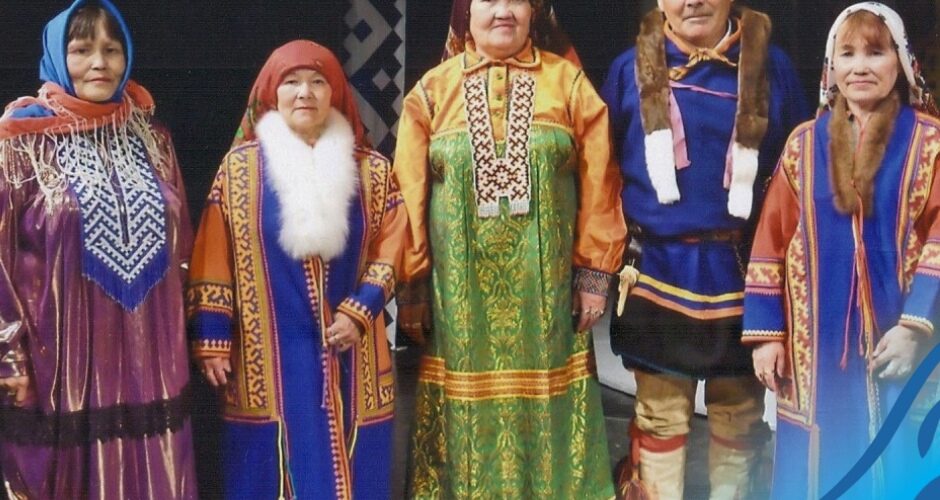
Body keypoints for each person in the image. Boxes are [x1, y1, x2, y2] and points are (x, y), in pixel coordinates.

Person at [393, 0, 625, 497]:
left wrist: (594, 273)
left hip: (548, 304)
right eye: (488, 0)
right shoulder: (431, 93)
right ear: (466, 13)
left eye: (515, 0)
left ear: (533, 12)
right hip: (458, 306)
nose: (503, 11)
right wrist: (411, 286)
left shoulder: (569, 84)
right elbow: (408, 198)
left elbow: (601, 183)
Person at [601, 0, 809, 497]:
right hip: (656, 269)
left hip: (744, 274)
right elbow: (601, 174)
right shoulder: (626, 70)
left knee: (740, 416)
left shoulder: (773, 68)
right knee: (660, 415)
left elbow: (800, 173)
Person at [187, 39, 406, 499]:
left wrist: (361, 310)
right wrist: (213, 337)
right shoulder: (239, 170)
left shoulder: (373, 171)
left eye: (317, 81)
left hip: (354, 355)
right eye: (291, 82)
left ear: (335, 92)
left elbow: (394, 246)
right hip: (264, 359)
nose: (305, 93)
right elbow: (212, 255)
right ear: (272, 92)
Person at [0, 1, 196, 497]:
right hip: (60, 360)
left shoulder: (153, 139)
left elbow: (183, 249)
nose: (99, 63)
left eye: (112, 50)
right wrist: (8, 356)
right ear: (56, 55)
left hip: (152, 357)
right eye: (82, 50)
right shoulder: (21, 143)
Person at [743, 3, 940, 498]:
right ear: (831, 67)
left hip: (902, 341)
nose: (860, 67)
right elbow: (770, 240)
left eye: (875, 52)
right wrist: (768, 335)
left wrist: (916, 326)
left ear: (901, 62)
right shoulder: (802, 145)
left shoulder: (930, 143)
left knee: (901, 453)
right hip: (815, 350)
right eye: (847, 54)